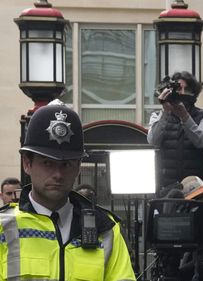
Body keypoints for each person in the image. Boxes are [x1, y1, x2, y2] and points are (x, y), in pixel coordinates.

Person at [0, 104, 135, 280]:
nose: (58, 174)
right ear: (27, 163)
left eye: (66, 164)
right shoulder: (4, 227)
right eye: (47, 163)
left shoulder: (106, 229)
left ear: (78, 166)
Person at [147, 71, 203, 191]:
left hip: (196, 185)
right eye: (177, 88)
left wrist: (185, 116)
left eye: (185, 89)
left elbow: (201, 142)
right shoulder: (158, 115)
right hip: (166, 185)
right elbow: (153, 141)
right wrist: (165, 112)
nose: (180, 93)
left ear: (193, 93)